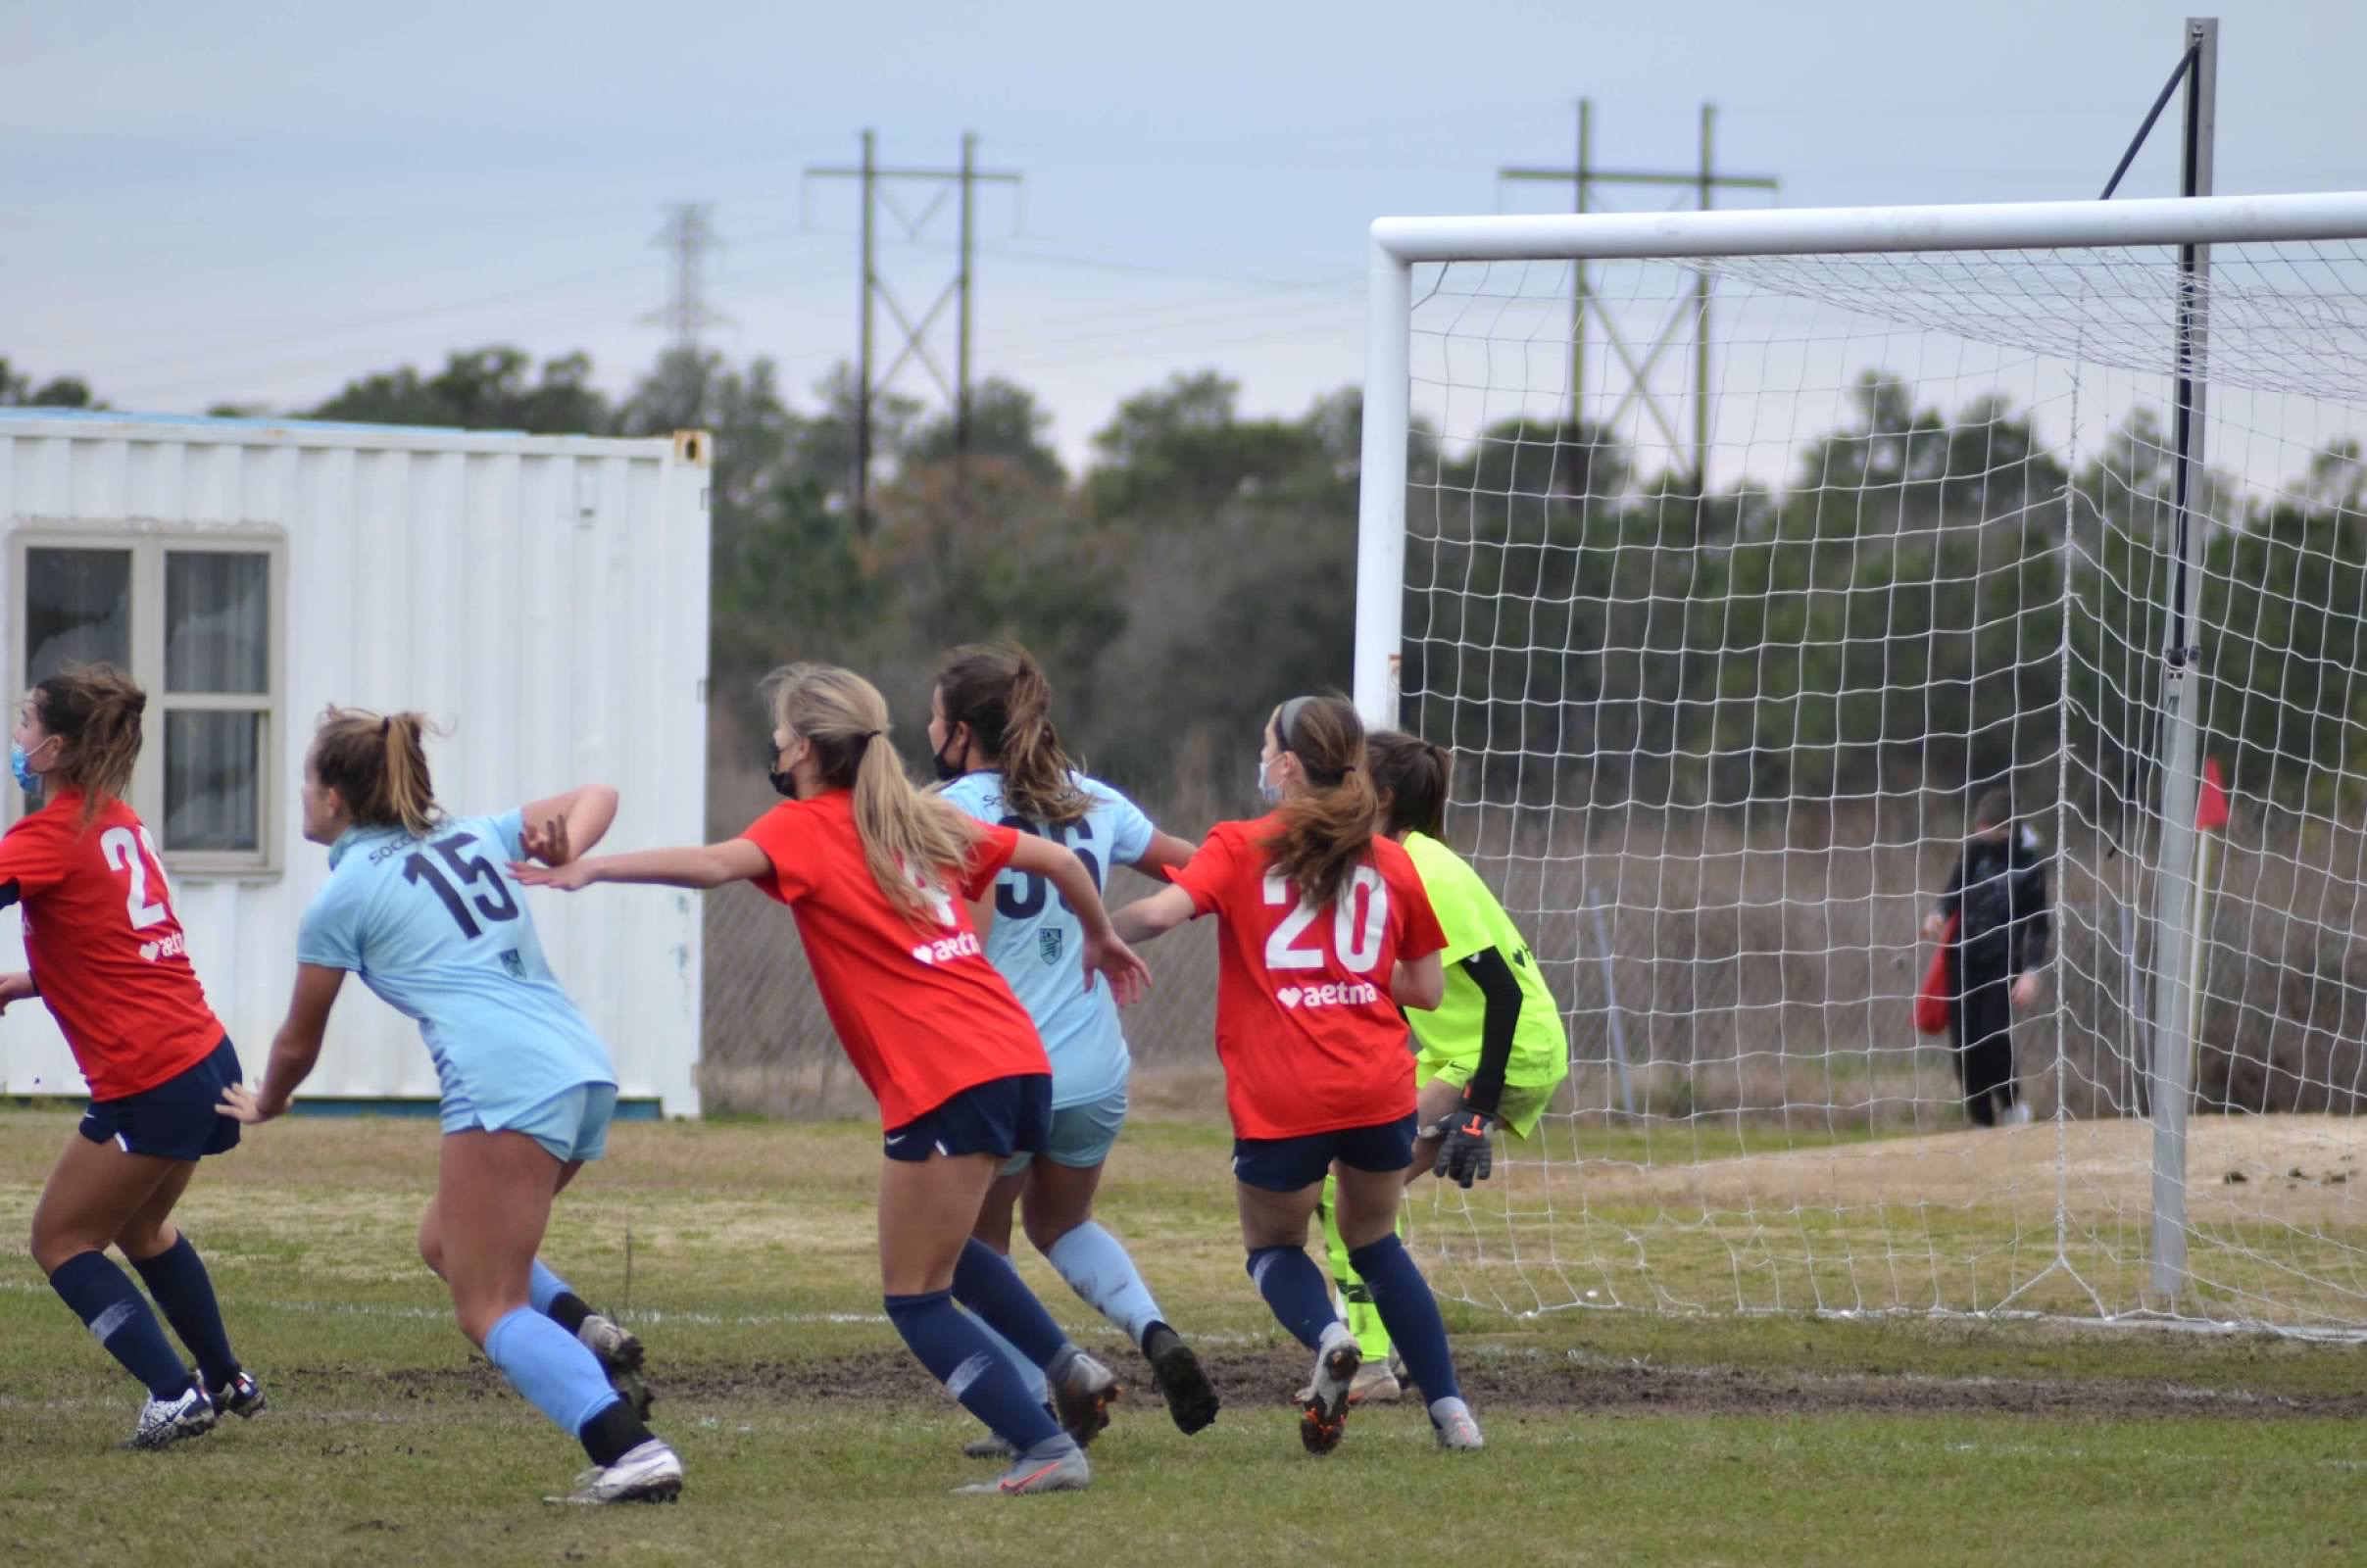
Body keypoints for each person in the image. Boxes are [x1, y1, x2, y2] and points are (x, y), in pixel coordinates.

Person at [515, 662, 1153, 1496]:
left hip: (948, 1073)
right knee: (951, 1254)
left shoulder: (806, 824)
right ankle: (1064, 1367)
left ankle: (1044, 1448)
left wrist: (594, 869)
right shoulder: (919, 818)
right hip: (1016, 1058)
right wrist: (1100, 938)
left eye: (780, 742)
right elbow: (1066, 869)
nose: (774, 756)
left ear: (810, 751)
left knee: (913, 1299)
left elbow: (712, 866)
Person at [219, 710, 679, 1503]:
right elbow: (599, 793)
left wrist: (270, 1099)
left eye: (305, 778)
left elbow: (299, 1039)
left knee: (486, 1306)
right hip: (579, 1070)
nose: (300, 792)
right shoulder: (474, 835)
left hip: (504, 1081)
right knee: (445, 1239)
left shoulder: (345, 895)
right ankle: (584, 1331)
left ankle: (626, 1449)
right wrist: (566, 840)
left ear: (332, 799)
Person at [1112, 694, 1484, 1455]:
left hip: (1284, 1088)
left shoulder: (1240, 843)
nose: (1259, 758)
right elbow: (1426, 989)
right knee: (1375, 1242)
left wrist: (1093, 935)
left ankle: (1329, 1339)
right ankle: (1452, 1413)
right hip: (1377, 1082)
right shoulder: (1390, 861)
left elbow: (1156, 914)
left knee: (1273, 1248)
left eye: (1263, 745)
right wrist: (1350, 981)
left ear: (1286, 764)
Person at [928, 644, 1221, 1448]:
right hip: (1094, 1064)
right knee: (1062, 1225)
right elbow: (1204, 870)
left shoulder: (949, 807)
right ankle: (1152, 1328)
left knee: (970, 1251)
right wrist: (1137, 923)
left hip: (1003, 1067)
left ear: (959, 731)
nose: (926, 728)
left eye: (932, 715)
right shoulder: (1094, 799)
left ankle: (1028, 1402)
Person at [0, 665, 263, 1448]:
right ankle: (225, 1378)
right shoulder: (117, 820)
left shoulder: (46, 836)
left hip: (151, 1075)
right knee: (144, 1229)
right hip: (207, 1058)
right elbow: (115, 948)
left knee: (60, 1241)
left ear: (52, 748)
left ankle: (174, 1393)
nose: (15, 737)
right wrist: (24, 980)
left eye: (23, 723)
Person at [1308, 729, 1571, 1402]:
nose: (1341, 789)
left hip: (1506, 1051)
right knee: (1352, 1188)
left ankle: (1368, 1358)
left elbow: (1505, 995)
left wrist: (1477, 1111)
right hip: (1460, 1051)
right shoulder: (1395, 862)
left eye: (1353, 779)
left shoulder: (1426, 870)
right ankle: (1371, 1354)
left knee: (1349, 1188)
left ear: (1384, 796)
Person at [1922, 786, 2051, 1128]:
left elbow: (2040, 927)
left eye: (1986, 828)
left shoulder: (2029, 866)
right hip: (1962, 960)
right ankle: (1980, 1120)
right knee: (1965, 1046)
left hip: (2001, 962)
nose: (1979, 833)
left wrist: (2031, 972)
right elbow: (1952, 893)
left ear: (2004, 828)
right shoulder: (1974, 852)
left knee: (1992, 1037)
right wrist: (1937, 913)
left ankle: (2012, 1104)